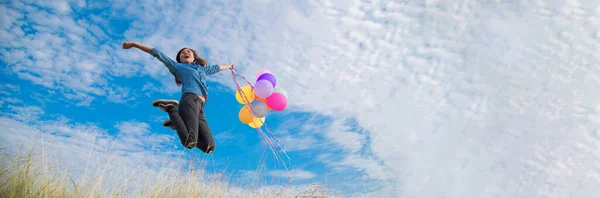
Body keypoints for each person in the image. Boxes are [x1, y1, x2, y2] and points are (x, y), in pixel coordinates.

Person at [122, 41, 234, 153]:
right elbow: (157, 53)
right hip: (189, 100)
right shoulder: (178, 66)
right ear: (180, 59)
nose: (186, 52)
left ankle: (178, 122)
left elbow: (216, 68)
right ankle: (171, 109)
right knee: (190, 142)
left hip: (201, 107)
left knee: (209, 147)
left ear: (194, 57)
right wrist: (134, 44)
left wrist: (229, 66)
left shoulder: (202, 69)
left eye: (189, 51)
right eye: (182, 53)